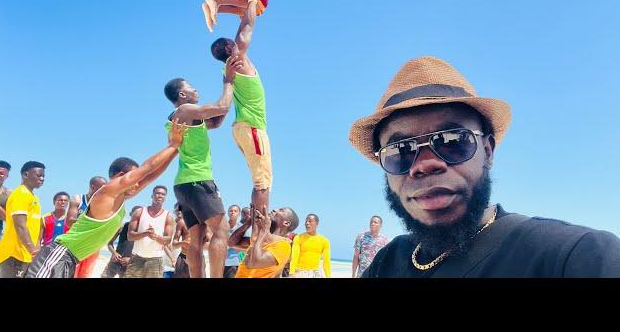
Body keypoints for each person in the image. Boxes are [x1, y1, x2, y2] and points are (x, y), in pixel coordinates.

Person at [348, 56, 620, 277]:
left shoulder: (573, 257)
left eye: (452, 141)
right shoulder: (386, 263)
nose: (425, 164)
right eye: (400, 151)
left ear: (488, 151)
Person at [25, 119, 186, 278]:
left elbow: (151, 175)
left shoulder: (120, 198)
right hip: (59, 254)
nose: (138, 184)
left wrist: (176, 150)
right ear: (121, 176)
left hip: (70, 259)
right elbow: (146, 169)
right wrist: (172, 145)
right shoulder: (106, 192)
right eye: (134, 178)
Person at [164, 55, 242, 278]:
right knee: (222, 230)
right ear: (182, 95)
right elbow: (220, 106)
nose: (196, 91)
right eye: (192, 88)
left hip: (183, 185)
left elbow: (215, 120)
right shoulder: (185, 110)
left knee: (196, 238)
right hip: (198, 180)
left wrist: (232, 92)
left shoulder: (182, 117)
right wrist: (228, 80)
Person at [210, 0, 272, 213]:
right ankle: (260, 230)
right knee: (263, 183)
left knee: (259, 179)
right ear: (233, 48)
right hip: (252, 127)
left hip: (241, 128)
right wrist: (252, 2)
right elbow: (247, 27)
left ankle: (258, 224)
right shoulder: (238, 61)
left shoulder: (228, 70)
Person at [0, 161, 45, 278]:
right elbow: (20, 226)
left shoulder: (33, 196)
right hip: (14, 255)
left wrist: (36, 248)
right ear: (26, 175)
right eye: (38, 175)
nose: (42, 178)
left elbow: (35, 225)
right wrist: (33, 251)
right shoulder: (21, 194)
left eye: (43, 176)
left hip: (25, 254)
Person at [229, 205, 299, 278]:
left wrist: (263, 230)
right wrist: (249, 222)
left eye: (281, 210)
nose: (274, 210)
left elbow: (253, 263)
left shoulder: (283, 245)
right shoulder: (262, 239)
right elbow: (232, 243)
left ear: (286, 223)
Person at [124, 185, 175, 278]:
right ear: (152, 196)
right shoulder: (139, 212)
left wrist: (155, 236)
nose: (159, 196)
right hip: (137, 257)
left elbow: (168, 240)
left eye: (163, 194)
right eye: (157, 193)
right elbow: (130, 236)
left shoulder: (168, 216)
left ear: (165, 198)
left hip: (156, 259)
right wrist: (146, 233)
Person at [68, 176, 107, 278]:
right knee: (71, 274)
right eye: (102, 188)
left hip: (92, 246)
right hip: (76, 244)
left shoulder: (103, 205)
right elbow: (69, 222)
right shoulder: (78, 199)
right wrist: (91, 223)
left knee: (85, 275)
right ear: (93, 187)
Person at [101, 206, 141, 278]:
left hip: (130, 264)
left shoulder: (142, 231)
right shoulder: (122, 226)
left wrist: (131, 259)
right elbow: (109, 243)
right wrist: (114, 253)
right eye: (134, 214)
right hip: (115, 260)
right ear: (130, 214)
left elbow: (144, 251)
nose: (136, 217)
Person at [289, 214, 331, 278]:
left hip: (315, 273)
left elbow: (326, 262)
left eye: (310, 221)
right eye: (306, 221)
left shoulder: (324, 241)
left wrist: (328, 276)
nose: (307, 223)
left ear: (317, 223)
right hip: (300, 272)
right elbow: (294, 257)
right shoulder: (298, 238)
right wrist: (291, 273)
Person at [170, 203, 190, 278]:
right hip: (181, 258)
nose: (179, 212)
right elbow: (172, 244)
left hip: (197, 258)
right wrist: (182, 243)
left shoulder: (200, 222)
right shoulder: (174, 223)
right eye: (177, 210)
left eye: (181, 210)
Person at [224, 204, 242, 278]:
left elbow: (245, 247)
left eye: (235, 211)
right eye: (230, 211)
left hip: (235, 263)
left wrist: (231, 245)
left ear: (239, 214)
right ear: (228, 213)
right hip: (221, 263)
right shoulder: (223, 227)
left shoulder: (241, 228)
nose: (232, 212)